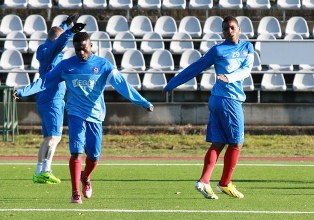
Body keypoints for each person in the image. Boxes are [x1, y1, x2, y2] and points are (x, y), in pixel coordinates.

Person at [14, 32, 154, 204]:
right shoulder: (66, 66)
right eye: (78, 49)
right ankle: (75, 193)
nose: (81, 53)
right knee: (76, 153)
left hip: (95, 116)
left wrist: (143, 102)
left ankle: (85, 177)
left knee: (94, 156)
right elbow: (45, 81)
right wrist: (23, 91)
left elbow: (122, 85)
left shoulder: (103, 65)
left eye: (84, 49)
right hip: (75, 114)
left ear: (91, 46)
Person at [164, 16, 254, 199]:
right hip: (228, 100)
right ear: (222, 32)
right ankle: (225, 183)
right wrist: (172, 83)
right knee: (237, 142)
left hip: (220, 99)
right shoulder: (218, 50)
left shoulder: (247, 47)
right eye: (226, 29)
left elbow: (247, 69)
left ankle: (204, 181)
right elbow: (196, 67)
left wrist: (230, 77)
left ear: (239, 29)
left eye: (232, 28)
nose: (229, 31)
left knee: (219, 142)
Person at [31, 14, 86, 184]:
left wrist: (65, 23)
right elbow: (60, 41)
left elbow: (56, 35)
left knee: (48, 138)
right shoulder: (51, 52)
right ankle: (46, 170)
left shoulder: (44, 48)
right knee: (55, 137)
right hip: (53, 97)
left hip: (44, 97)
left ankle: (39, 171)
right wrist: (70, 31)